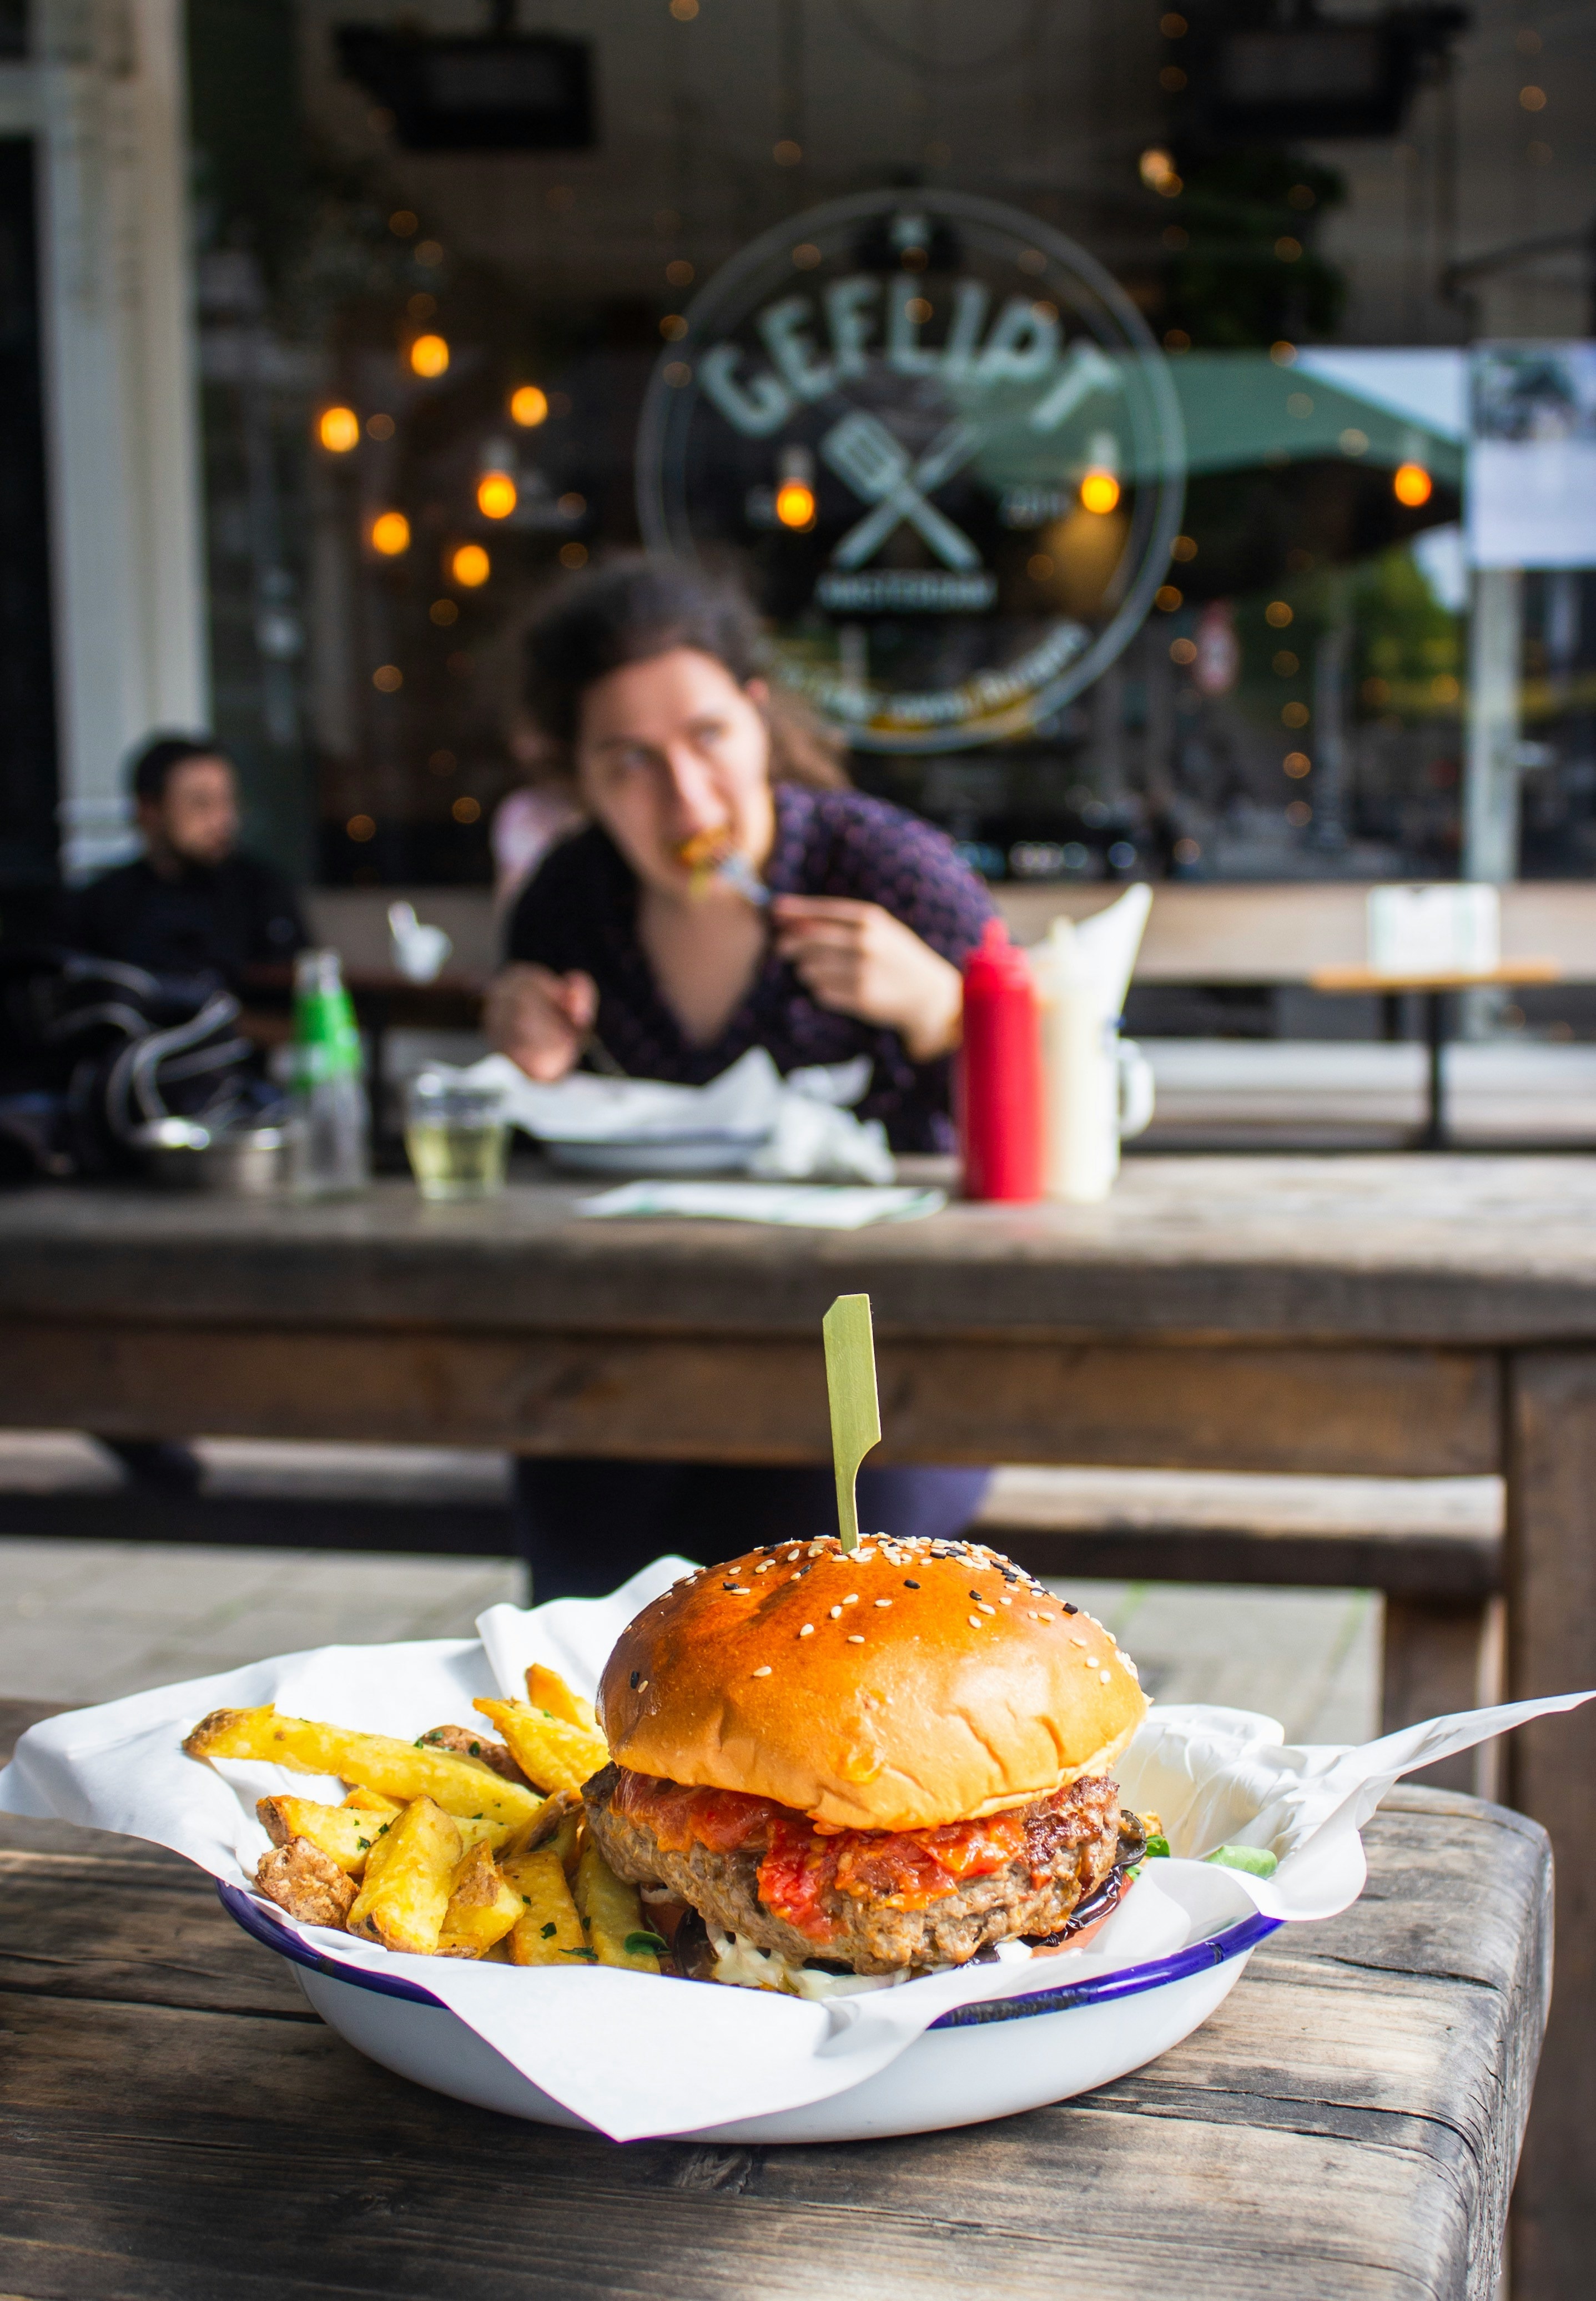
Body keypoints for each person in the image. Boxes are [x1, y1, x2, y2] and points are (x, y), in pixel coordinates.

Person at [487, 555, 999, 1599]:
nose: (684, 794)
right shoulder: (569, 903)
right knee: (582, 1566)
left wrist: (947, 1011)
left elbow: (1067, 1104)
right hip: (639, 1344)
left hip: (885, 1358)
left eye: (708, 738)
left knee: (819, 1578)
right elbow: (538, 1163)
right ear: (578, 782)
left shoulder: (886, 872)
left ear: (759, 719)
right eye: (627, 761)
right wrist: (525, 1066)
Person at [66, 734, 306, 991]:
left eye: (228, 801)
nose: (224, 820)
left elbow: (302, 990)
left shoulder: (262, 890)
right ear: (149, 810)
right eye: (201, 804)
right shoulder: (102, 906)